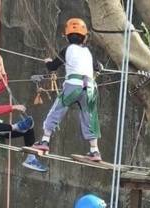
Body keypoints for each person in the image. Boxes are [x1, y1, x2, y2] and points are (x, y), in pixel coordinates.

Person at [35, 18, 102, 161]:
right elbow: (97, 67)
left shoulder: (67, 49)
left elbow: (53, 66)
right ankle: (94, 151)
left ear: (67, 36)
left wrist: (48, 62)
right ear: (84, 37)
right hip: (89, 87)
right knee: (89, 116)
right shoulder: (88, 52)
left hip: (73, 85)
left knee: (57, 110)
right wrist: (99, 66)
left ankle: (45, 141)